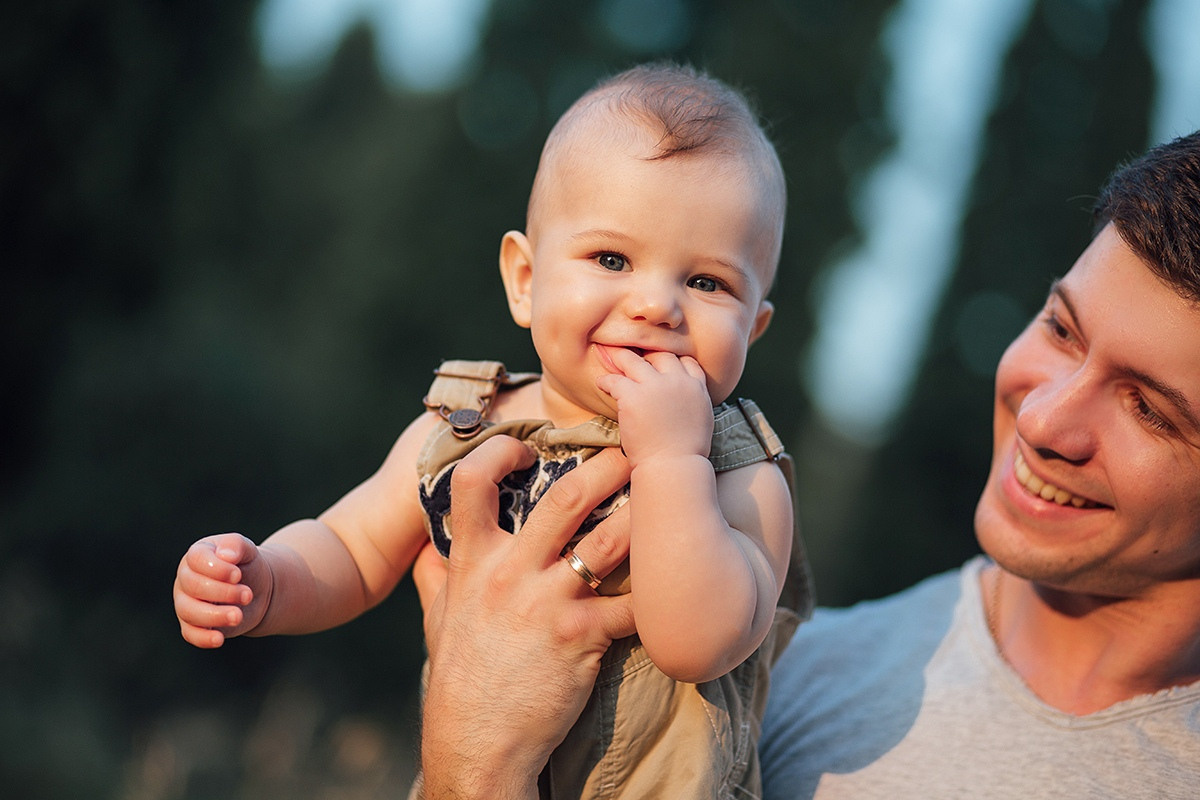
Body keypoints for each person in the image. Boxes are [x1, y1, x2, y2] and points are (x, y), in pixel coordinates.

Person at [412, 130, 1200, 799]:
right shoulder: (783, 680)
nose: (1043, 417)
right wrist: (469, 765)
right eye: (1062, 330)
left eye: (1150, 410)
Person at [173, 62, 812, 798]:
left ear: (753, 328)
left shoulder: (742, 477)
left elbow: (697, 641)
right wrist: (265, 580)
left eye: (706, 283)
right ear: (525, 279)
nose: (655, 305)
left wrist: (672, 459)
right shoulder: (465, 423)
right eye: (612, 258)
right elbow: (352, 546)